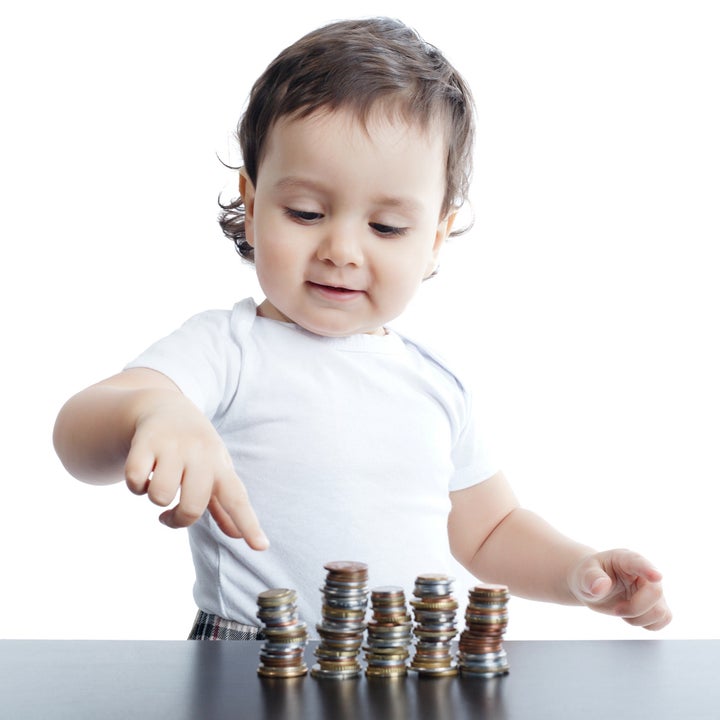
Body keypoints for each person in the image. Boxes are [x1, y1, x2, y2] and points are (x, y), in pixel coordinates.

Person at [53, 17, 671, 640]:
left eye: (386, 228)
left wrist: (577, 573)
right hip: (260, 663)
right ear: (251, 198)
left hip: (416, 665)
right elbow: (80, 428)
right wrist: (153, 412)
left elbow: (489, 529)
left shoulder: (436, 382)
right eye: (306, 212)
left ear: (434, 239)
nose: (342, 249)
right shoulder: (228, 350)